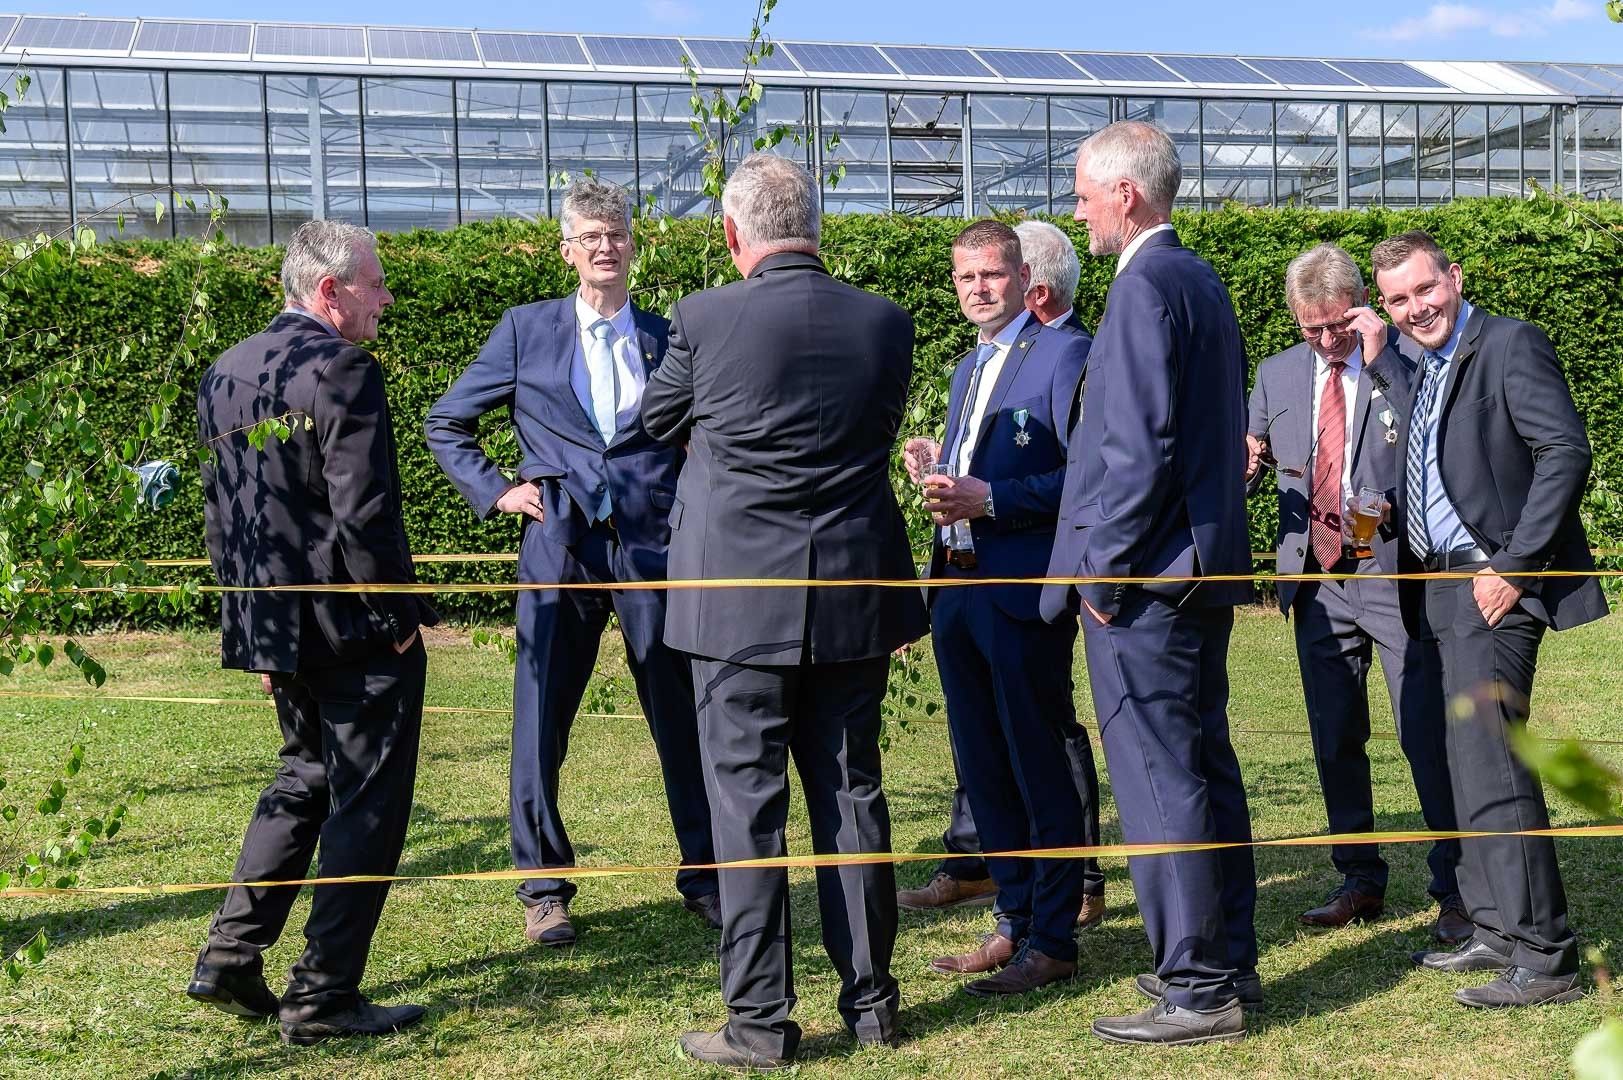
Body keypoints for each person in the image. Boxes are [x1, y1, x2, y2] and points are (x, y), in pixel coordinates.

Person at [641, 153, 929, 1071]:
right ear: (814, 226)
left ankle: (760, 1022)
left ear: (734, 233)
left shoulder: (702, 316)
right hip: (852, 591)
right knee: (850, 794)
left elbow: (653, 421)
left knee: (746, 810)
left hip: (733, 602)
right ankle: (872, 1006)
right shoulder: (885, 321)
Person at [425, 179, 718, 948]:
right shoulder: (524, 330)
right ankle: (543, 889)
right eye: (590, 235)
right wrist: (496, 490)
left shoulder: (668, 336)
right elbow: (447, 421)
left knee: (680, 714)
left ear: (632, 246)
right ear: (567, 250)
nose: (604, 246)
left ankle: (707, 876)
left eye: (615, 234)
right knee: (539, 718)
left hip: (653, 548)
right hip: (558, 546)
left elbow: (705, 434)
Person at [191, 220, 436, 1045]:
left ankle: (230, 955)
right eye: (376, 283)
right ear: (330, 291)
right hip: (353, 633)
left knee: (304, 778)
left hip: (278, 627)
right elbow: (363, 511)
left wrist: (256, 634)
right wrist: (396, 619)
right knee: (367, 803)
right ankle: (323, 995)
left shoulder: (225, 370)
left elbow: (225, 519)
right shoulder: (343, 368)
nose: (386, 298)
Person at [1041, 120, 1257, 1046]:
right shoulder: (1197, 276)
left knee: (1161, 779)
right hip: (1195, 573)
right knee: (1203, 766)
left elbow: (1137, 449)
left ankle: (1198, 987)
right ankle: (1225, 958)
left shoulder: (1141, 287)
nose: (1077, 209)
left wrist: (1102, 574)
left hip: (1146, 586)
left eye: (1083, 193)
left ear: (1124, 194)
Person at [1377, 229, 1608, 1008]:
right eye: (1397, 300)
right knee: (1459, 758)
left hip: (1492, 584)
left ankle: (1544, 957)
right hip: (1435, 587)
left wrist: (1512, 565)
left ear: (1454, 276)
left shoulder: (1510, 343)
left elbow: (1563, 453)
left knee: (1496, 763)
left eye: (1423, 289)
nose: (1415, 308)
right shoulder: (1424, 365)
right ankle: (1495, 928)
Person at [1245, 243, 1467, 943]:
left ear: (1362, 307)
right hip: (1315, 579)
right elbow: (1254, 458)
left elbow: (1437, 441)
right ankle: (1358, 877)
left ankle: (1455, 885)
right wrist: (1243, 462)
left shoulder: (1404, 357)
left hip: (1390, 569)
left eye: (1336, 325)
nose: (1324, 340)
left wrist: (1378, 360)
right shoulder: (1276, 373)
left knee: (1422, 731)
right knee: (1335, 734)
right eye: (1310, 328)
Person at [896, 220, 1096, 997]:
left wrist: (993, 498)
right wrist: (937, 462)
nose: (977, 289)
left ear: (1021, 279)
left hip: (1019, 593)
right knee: (981, 767)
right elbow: (974, 473)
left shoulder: (1065, 354)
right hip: (956, 589)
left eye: (990, 274)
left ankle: (1052, 939)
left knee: (1035, 765)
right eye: (964, 277)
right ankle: (1012, 919)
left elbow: (1088, 478)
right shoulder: (966, 369)